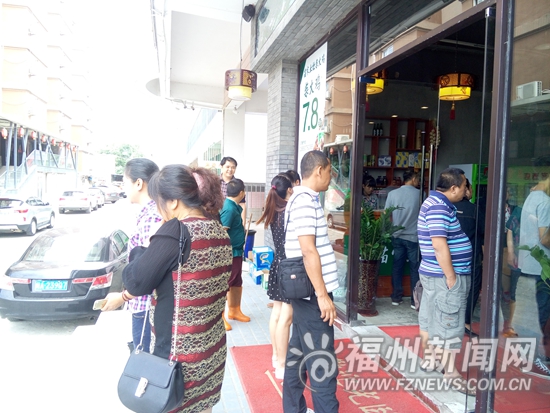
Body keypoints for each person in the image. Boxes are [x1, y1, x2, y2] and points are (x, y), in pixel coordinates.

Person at [103, 165, 233, 413]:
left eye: (158, 202)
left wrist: (144, 249)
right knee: (203, 407)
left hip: (179, 355)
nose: (157, 208)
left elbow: (136, 280)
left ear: (173, 201)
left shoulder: (176, 231)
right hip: (212, 348)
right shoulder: (217, 228)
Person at [283, 150, 339, 413]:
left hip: (304, 293)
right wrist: (322, 295)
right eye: (329, 171)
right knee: (322, 363)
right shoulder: (305, 201)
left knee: (298, 355)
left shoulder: (301, 199)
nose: (331, 176)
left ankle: (294, 409)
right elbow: (308, 250)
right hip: (312, 295)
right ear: (319, 170)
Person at [417, 167, 474, 396]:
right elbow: (439, 245)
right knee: (449, 323)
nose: (465, 191)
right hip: (444, 277)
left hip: (434, 275)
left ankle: (430, 359)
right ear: (453, 188)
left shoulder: (434, 203)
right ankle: (451, 373)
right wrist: (451, 278)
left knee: (430, 318)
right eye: (463, 187)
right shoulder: (440, 207)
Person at [95, 158, 162, 352]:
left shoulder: (152, 218)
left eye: (126, 182)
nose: (124, 188)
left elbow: (149, 270)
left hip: (145, 305)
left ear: (139, 183)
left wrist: (123, 297)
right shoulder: (151, 213)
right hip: (142, 303)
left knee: (143, 362)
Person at [257, 173, 294, 380]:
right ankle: (281, 363)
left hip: (277, 263)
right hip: (290, 268)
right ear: (289, 190)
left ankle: (275, 356)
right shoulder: (289, 210)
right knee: (286, 318)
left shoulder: (273, 209)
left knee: (277, 313)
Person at [517, 176, 550, 379]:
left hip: (529, 263)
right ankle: (534, 359)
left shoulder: (531, 196)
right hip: (542, 267)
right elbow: (545, 238)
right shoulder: (545, 201)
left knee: (532, 311)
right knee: (541, 312)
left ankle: (529, 356)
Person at [453, 179, 485, 337]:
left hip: (450, 258)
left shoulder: (447, 209)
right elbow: (484, 233)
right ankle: (465, 322)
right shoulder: (474, 210)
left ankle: (450, 320)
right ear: (466, 190)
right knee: (471, 290)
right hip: (472, 258)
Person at [384, 169, 420, 308]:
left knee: (397, 266)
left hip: (397, 236)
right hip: (413, 237)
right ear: (413, 179)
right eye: (417, 178)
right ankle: (413, 300)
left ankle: (396, 297)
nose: (418, 181)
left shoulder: (393, 194)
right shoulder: (420, 194)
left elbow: (386, 215)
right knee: (414, 268)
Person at [220, 178, 250, 330]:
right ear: (241, 193)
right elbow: (222, 230)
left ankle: (234, 310)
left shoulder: (234, 206)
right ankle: (221, 317)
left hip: (237, 251)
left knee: (237, 281)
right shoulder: (229, 209)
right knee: (227, 283)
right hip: (230, 253)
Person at [502, 186, 521, 338]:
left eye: (508, 191)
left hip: (511, 249)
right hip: (505, 249)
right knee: (511, 287)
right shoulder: (490, 206)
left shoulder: (515, 209)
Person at [220, 156, 246, 224]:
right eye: (227, 167)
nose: (230, 169)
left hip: (234, 219)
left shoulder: (238, 183)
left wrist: (243, 223)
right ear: (221, 167)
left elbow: (242, 204)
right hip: (218, 218)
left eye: (233, 167)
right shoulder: (214, 182)